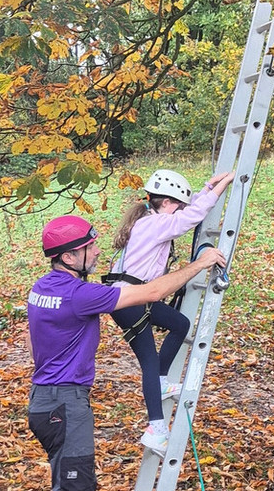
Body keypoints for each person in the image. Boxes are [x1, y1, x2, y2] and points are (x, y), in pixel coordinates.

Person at [27, 214, 226, 491]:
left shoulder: (40, 289)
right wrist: (200, 264)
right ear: (69, 258)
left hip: (42, 402)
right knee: (77, 487)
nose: (97, 250)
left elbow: (32, 341)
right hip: (66, 405)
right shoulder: (80, 295)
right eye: (89, 246)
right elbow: (153, 292)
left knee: (66, 481)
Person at [106, 168, 236, 456]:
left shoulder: (151, 219)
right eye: (177, 204)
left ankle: (162, 382)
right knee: (148, 359)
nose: (179, 210)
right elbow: (189, 219)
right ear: (166, 204)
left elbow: (186, 213)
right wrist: (219, 188)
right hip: (130, 298)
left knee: (180, 324)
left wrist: (206, 189)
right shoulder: (156, 224)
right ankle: (156, 428)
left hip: (137, 294)